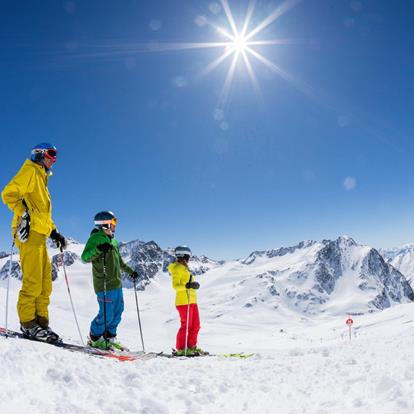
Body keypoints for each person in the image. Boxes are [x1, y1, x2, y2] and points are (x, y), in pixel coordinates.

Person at [1, 143, 67, 341]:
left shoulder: (41, 178)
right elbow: (8, 194)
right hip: (28, 233)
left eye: (55, 157)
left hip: (40, 234)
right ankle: (28, 324)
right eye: (51, 155)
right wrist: (24, 214)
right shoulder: (30, 170)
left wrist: (54, 232)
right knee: (33, 281)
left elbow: (42, 213)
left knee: (45, 283)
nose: (53, 160)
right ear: (40, 155)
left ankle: (41, 323)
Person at [81, 211, 138, 350]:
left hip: (116, 284)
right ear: (104, 224)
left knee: (118, 312)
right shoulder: (95, 239)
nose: (114, 227)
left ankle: (109, 337)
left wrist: (131, 272)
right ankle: (94, 337)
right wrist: (99, 249)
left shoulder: (113, 240)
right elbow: (84, 258)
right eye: (112, 223)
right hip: (104, 284)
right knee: (106, 314)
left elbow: (120, 262)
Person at [168, 246, 206, 356]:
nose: (189, 259)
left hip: (192, 301)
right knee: (186, 326)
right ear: (184, 256)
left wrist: (193, 285)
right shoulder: (177, 269)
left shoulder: (184, 268)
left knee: (196, 326)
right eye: (188, 257)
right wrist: (188, 285)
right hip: (183, 302)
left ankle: (191, 347)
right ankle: (181, 349)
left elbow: (187, 285)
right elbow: (175, 286)